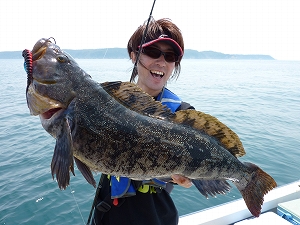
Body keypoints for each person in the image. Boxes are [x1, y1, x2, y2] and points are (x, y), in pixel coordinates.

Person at [92, 18, 194, 225]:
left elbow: (193, 178)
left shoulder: (182, 115)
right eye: (153, 52)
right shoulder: (108, 104)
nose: (161, 61)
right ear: (134, 56)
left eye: (170, 56)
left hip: (156, 217)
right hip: (106, 214)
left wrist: (188, 177)